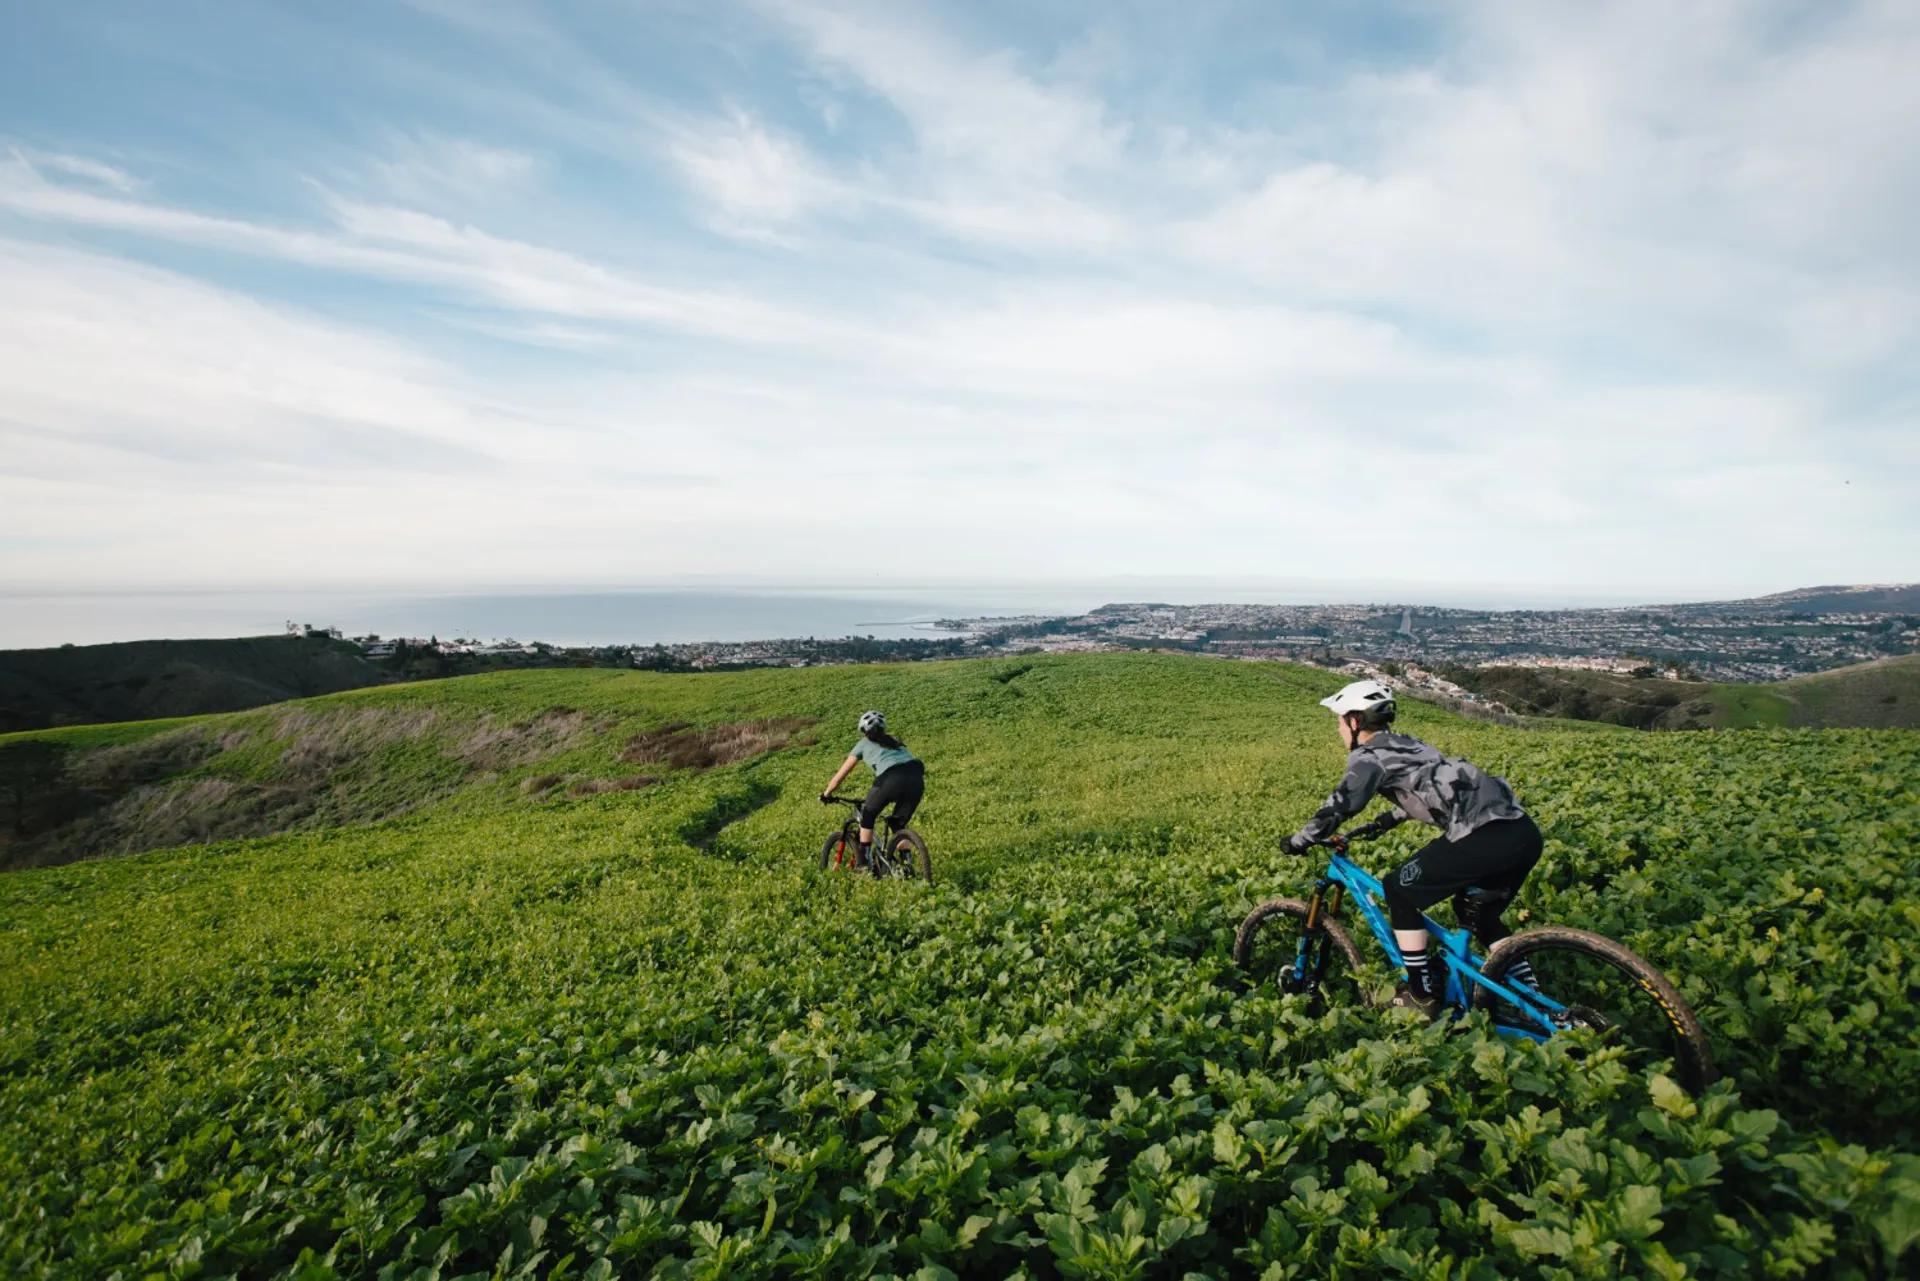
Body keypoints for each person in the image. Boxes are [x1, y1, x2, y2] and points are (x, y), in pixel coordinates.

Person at [1283, 679, 1542, 1014]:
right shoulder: (1410, 744)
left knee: (1399, 891)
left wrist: (1298, 841)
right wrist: (1386, 821)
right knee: (1480, 915)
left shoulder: (1368, 757)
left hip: (1483, 837)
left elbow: (1341, 805)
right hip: (1522, 832)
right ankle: (1535, 1000)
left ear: (1355, 721)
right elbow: (1429, 788)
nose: (1338, 729)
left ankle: (1421, 996)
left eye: (1340, 722)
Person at [820, 710, 925, 868]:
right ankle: (907, 866)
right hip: (916, 779)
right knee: (897, 825)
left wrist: (826, 793)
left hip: (891, 779)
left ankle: (864, 864)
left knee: (867, 816)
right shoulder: (894, 741)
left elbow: (840, 775)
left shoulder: (862, 744)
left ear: (863, 731)